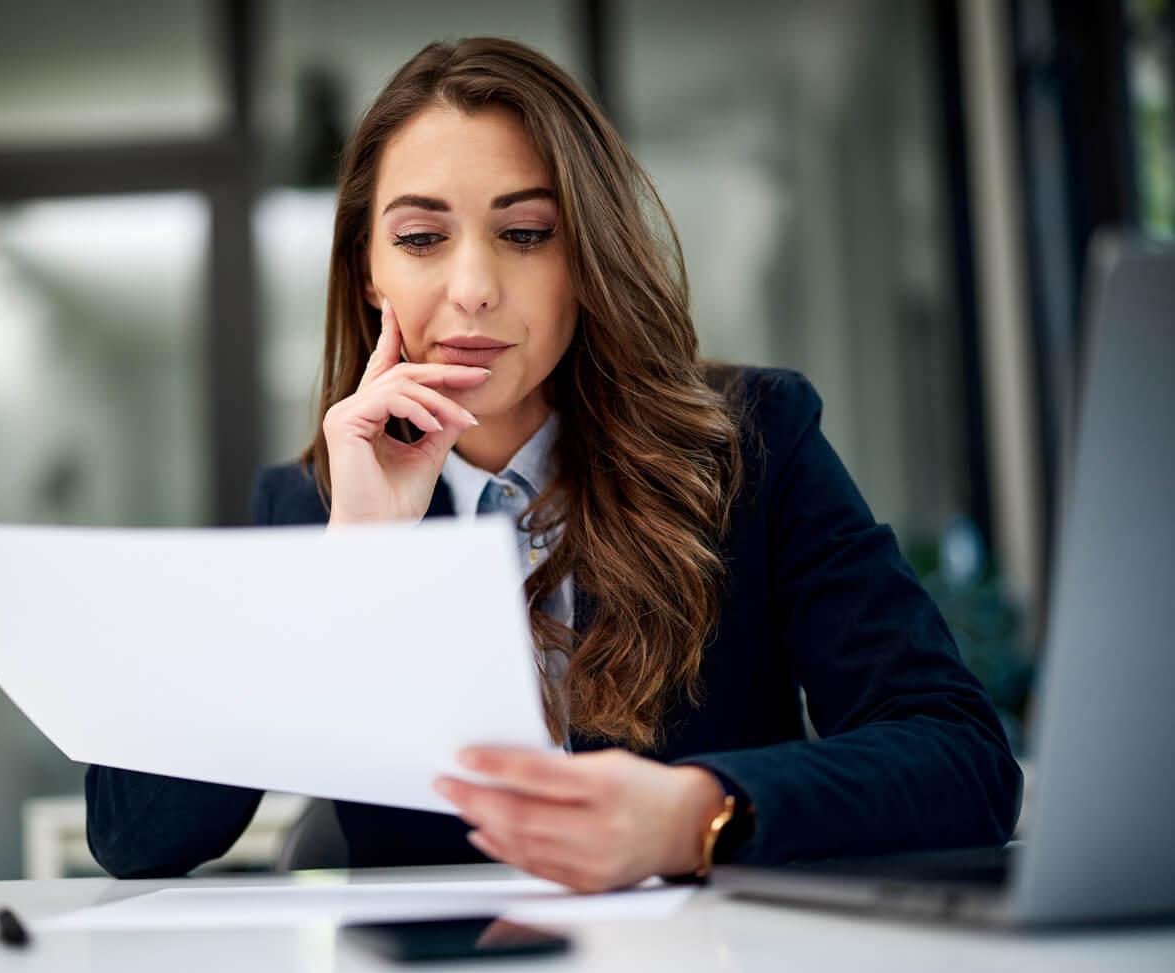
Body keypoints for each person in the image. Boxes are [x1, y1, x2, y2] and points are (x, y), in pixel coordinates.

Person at [85, 37, 1021, 892]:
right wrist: (352, 559)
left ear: (586, 258)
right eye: (420, 238)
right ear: (370, 271)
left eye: (526, 234)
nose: (474, 288)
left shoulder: (754, 442)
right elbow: (134, 835)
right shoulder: (312, 503)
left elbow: (961, 756)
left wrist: (698, 812)